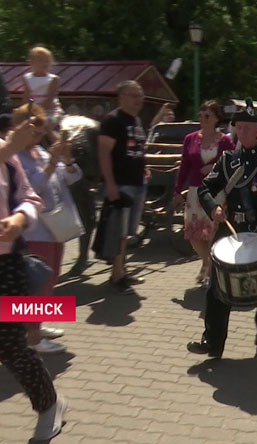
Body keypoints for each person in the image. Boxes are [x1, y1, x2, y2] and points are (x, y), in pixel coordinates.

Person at [0, 80, 67, 440]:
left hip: (0, 265)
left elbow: (30, 197)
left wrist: (19, 219)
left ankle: (49, 403)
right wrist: (12, 144)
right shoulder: (5, 146)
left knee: (9, 346)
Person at [187, 98, 257, 358]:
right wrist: (213, 207)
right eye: (238, 127)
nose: (241, 131)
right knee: (217, 287)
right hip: (230, 228)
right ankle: (212, 342)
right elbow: (205, 188)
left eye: (246, 127)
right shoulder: (227, 159)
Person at [13, 103, 84, 354]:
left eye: (40, 131)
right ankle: (32, 337)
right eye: (33, 130)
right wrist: (52, 164)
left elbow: (73, 177)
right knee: (38, 281)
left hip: (56, 225)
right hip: (35, 230)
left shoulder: (40, 152)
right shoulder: (14, 157)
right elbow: (30, 189)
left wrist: (66, 158)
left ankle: (36, 326)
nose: (38, 135)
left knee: (50, 278)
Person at [173, 101, 234, 286]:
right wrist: (177, 190)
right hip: (195, 192)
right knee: (194, 234)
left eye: (207, 116)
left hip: (216, 193)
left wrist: (214, 167)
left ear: (216, 118)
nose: (203, 119)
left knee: (212, 233)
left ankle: (209, 270)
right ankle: (207, 263)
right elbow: (184, 166)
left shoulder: (225, 141)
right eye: (200, 115)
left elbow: (232, 165)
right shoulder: (190, 138)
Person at [97, 80, 148, 294]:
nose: (139, 99)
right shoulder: (112, 121)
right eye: (134, 95)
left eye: (140, 95)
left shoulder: (136, 120)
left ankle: (122, 270)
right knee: (118, 232)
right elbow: (103, 152)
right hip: (120, 184)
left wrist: (144, 168)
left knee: (127, 233)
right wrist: (110, 184)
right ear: (121, 97)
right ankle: (116, 276)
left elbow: (137, 149)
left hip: (137, 183)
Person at [22, 46, 63, 133]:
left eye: (47, 61)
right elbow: (26, 98)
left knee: (44, 125)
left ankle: (56, 143)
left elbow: (48, 101)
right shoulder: (27, 78)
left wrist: (36, 113)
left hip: (50, 111)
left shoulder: (53, 79)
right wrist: (25, 111)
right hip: (33, 111)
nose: (44, 63)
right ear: (31, 62)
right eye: (40, 61)